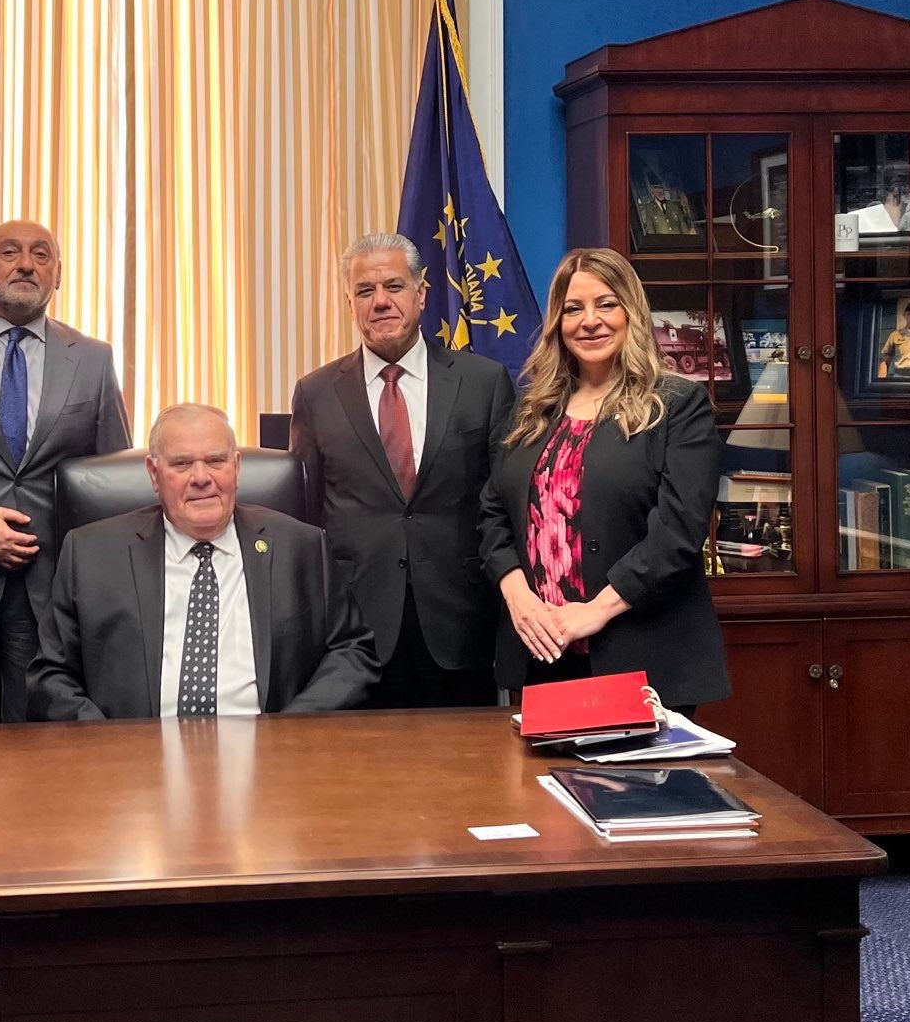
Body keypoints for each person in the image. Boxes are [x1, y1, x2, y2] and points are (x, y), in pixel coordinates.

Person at [479, 246, 729, 711]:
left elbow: (678, 532)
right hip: (541, 654)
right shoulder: (531, 410)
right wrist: (518, 597)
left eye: (606, 304)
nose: (589, 321)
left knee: (635, 787)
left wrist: (593, 613)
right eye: (573, 308)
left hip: (641, 658)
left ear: (631, 311)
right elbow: (493, 511)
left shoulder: (677, 405)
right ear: (558, 322)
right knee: (540, 785)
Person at [27, 403, 379, 720]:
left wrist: (289, 732)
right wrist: (115, 746)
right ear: (153, 473)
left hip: (271, 764)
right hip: (136, 768)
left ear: (236, 467)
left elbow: (352, 652)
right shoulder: (92, 554)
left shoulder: (300, 547)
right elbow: (50, 677)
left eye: (215, 460)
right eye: (181, 464)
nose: (201, 478)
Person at [0, 219, 131, 725]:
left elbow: (111, 484)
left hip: (52, 593)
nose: (26, 264)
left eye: (42, 255)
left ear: (59, 275)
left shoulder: (93, 360)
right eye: (10, 252)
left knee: (43, 753)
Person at [290, 233, 513, 707]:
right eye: (365, 291)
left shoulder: (483, 383)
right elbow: (307, 518)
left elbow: (503, 502)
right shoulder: (315, 393)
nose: (381, 302)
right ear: (349, 303)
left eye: (394, 286)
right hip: (356, 628)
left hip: (461, 620)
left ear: (422, 294)